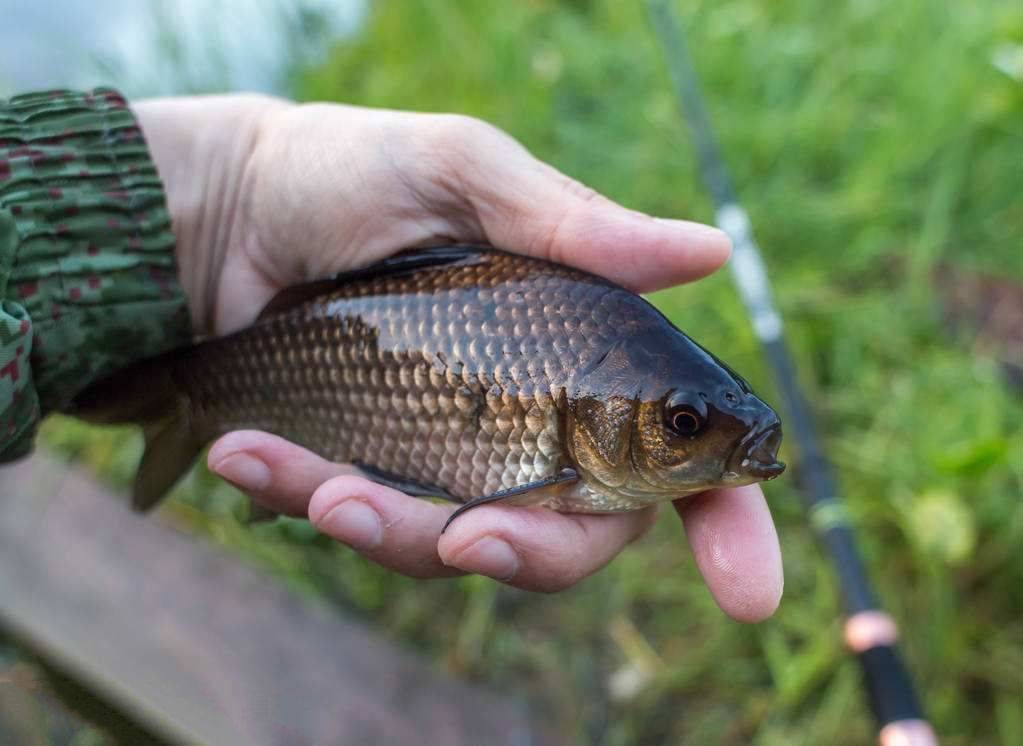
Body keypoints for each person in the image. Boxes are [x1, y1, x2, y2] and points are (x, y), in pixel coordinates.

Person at [0, 89, 782, 619]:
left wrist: (232, 177)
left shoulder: (608, 343)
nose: (698, 433)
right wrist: (232, 177)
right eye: (683, 422)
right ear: (592, 419)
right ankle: (178, 401)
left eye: (686, 422)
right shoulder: (595, 357)